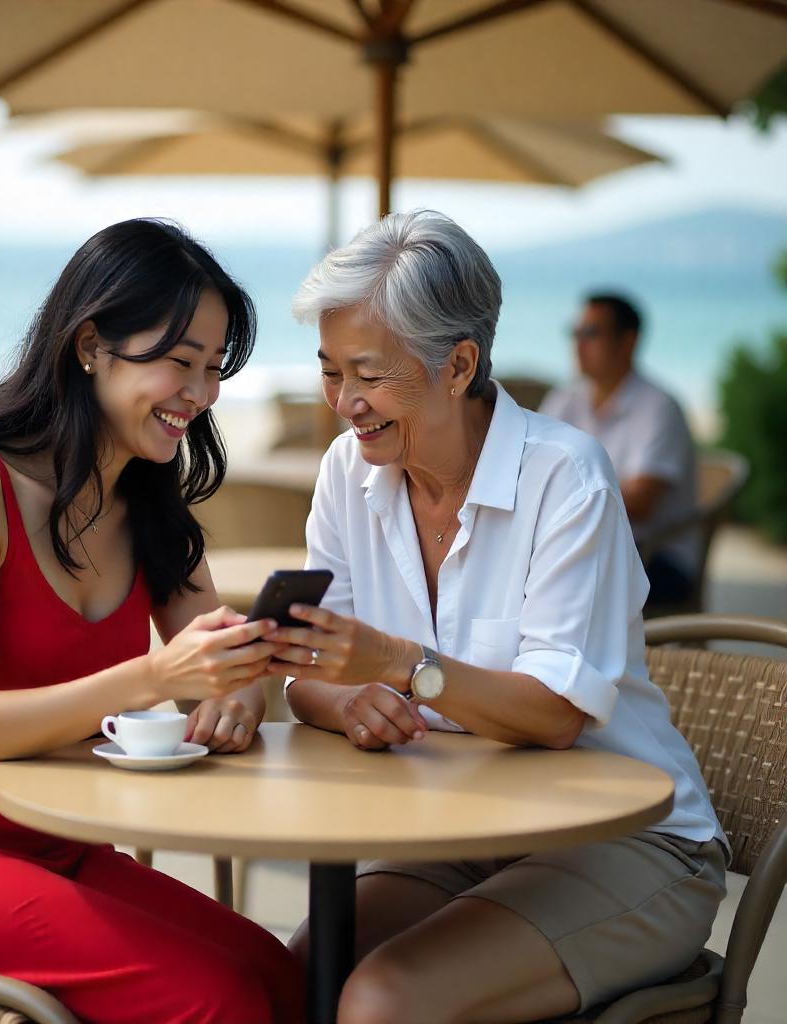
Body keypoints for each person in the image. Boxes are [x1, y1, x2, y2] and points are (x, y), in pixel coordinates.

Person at [0, 219, 304, 1024]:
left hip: (53, 845)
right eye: (180, 362)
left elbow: (219, 658)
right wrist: (154, 677)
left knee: (282, 977)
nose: (202, 393)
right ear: (91, 347)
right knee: (218, 1001)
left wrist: (235, 698)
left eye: (214, 369)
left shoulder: (145, 503)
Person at [271, 211, 726, 1024]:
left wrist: (399, 665)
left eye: (367, 375)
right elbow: (308, 672)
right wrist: (348, 700)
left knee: (380, 1000)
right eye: (330, 372)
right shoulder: (348, 471)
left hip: (626, 839)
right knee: (300, 975)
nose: (343, 403)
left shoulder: (566, 478)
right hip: (463, 826)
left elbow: (553, 715)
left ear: (459, 366)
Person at [539, 294, 698, 607]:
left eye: (591, 333)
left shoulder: (659, 408)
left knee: (556, 584)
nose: (578, 344)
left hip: (655, 554)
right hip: (584, 544)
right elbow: (529, 469)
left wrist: (556, 496)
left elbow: (640, 503)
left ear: (628, 342)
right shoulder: (566, 397)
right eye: (575, 333)